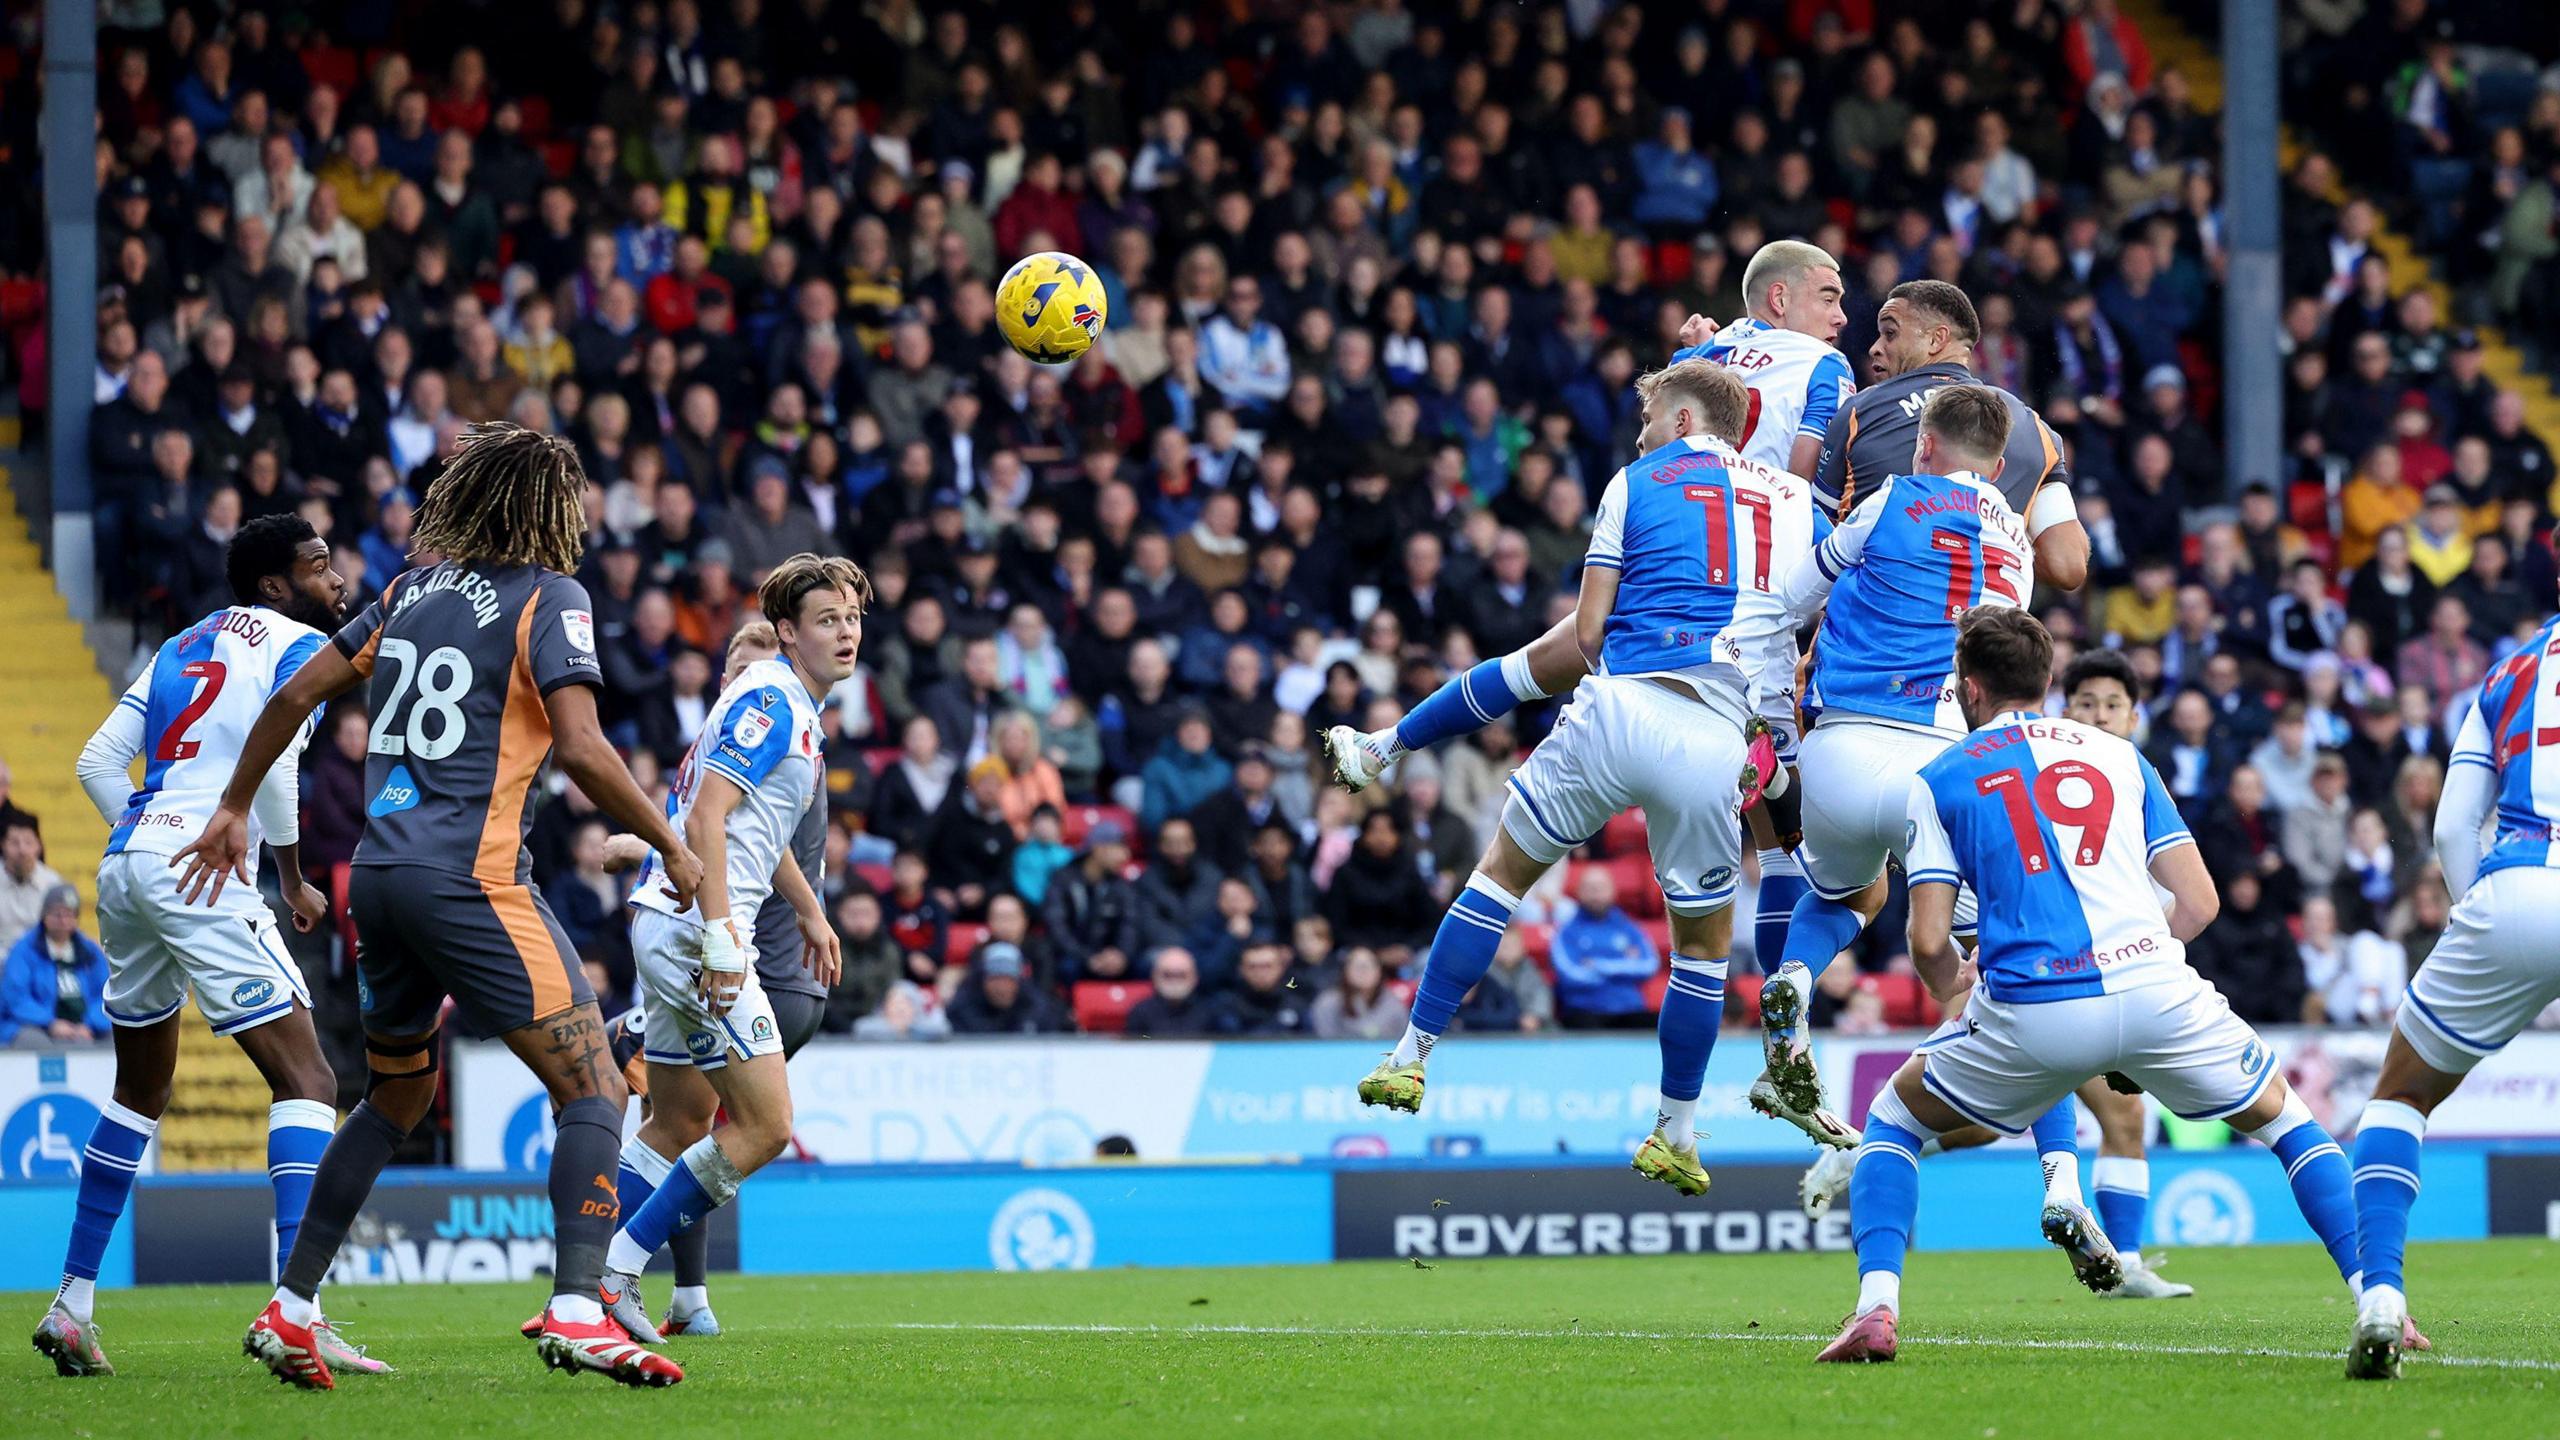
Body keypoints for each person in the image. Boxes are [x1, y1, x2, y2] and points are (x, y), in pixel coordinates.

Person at [176, 423, 705, 1389]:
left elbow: (292, 697)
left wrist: (233, 806)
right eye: (570, 498)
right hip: (471, 879)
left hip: (378, 880)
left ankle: (292, 1307)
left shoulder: (407, 592)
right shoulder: (551, 595)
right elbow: (583, 748)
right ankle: (578, 1310)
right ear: (544, 506)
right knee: (596, 1086)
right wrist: (671, 842)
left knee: (397, 1096)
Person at [1817, 608, 2389, 1364]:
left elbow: (1927, 941)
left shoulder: (1940, 777)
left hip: (2034, 1004)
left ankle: (1877, 1308)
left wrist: (1956, 978)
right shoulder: (2121, 756)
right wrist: (2141, 966)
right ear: (2049, 682)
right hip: (2155, 987)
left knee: (1893, 1121)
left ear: (1969, 688)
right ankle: (2379, 1299)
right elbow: (2201, 903)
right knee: (2291, 1123)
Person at [1354, 359, 1831, 1198]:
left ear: (1682, 422)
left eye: (1650, 421)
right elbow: (1813, 611)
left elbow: (1588, 629)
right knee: (1701, 954)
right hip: (1717, 735)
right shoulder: (1798, 501)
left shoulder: (1635, 480)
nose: (1641, 436)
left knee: (1499, 879)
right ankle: (1675, 1133)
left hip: (1622, 705)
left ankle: (1410, 1055)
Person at [35, 516, 373, 1379]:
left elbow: (94, 762)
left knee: (139, 1090)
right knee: (310, 1081)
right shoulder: (301, 646)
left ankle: (73, 1303)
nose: (337, 579)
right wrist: (279, 871)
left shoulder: (179, 644)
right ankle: (298, 1311)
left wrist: (149, 839)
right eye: (319, 566)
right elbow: (280, 767)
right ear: (275, 585)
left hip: (128, 863)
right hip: (200, 870)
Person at [1798, 649, 2200, 1299]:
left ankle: (2120, 1258)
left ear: (2135, 716)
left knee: (2112, 1115)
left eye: (2113, 705)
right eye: (2087, 703)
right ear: (2059, 705)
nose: (2100, 715)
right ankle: (2059, 1190)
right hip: (2025, 965)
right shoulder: (2011, 775)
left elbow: (2179, 896)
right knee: (2036, 1079)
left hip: (2107, 976)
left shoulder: (2128, 779)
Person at [1751, 385, 2032, 1133]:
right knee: (1998, 944)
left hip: (1844, 747)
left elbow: (1794, 596)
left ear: (1924, 446)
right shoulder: (2018, 539)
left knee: (1848, 895)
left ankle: (1793, 980)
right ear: (1997, 467)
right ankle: (2057, 1163)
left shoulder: (1888, 500)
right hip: (1946, 767)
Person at [599, 555, 860, 1345]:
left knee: (677, 1120)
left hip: (667, 921)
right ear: (788, 632)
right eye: (827, 620)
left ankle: (580, 1285)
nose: (845, 632)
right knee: (766, 1126)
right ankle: (615, 1271)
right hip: (696, 931)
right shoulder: (773, 700)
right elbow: (706, 816)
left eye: (852, 618)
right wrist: (720, 939)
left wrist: (809, 912)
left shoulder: (791, 705)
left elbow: (754, 831)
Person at [2343, 601, 2560, 1378]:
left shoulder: (2509, 672)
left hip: (2518, 888)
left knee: (2400, 1093)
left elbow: (2450, 827)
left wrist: (2488, 928)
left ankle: (2380, 1295)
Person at [1, 885, 109, 1046]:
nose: (63, 921)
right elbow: (15, 997)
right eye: (57, 914)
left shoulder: (90, 951)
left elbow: (105, 994)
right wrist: (50, 1023)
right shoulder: (24, 950)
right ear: (44, 916)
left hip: (83, 1026)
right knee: (36, 1043)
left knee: (115, 1039)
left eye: (69, 915)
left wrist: (89, 1024)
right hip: (35, 1024)